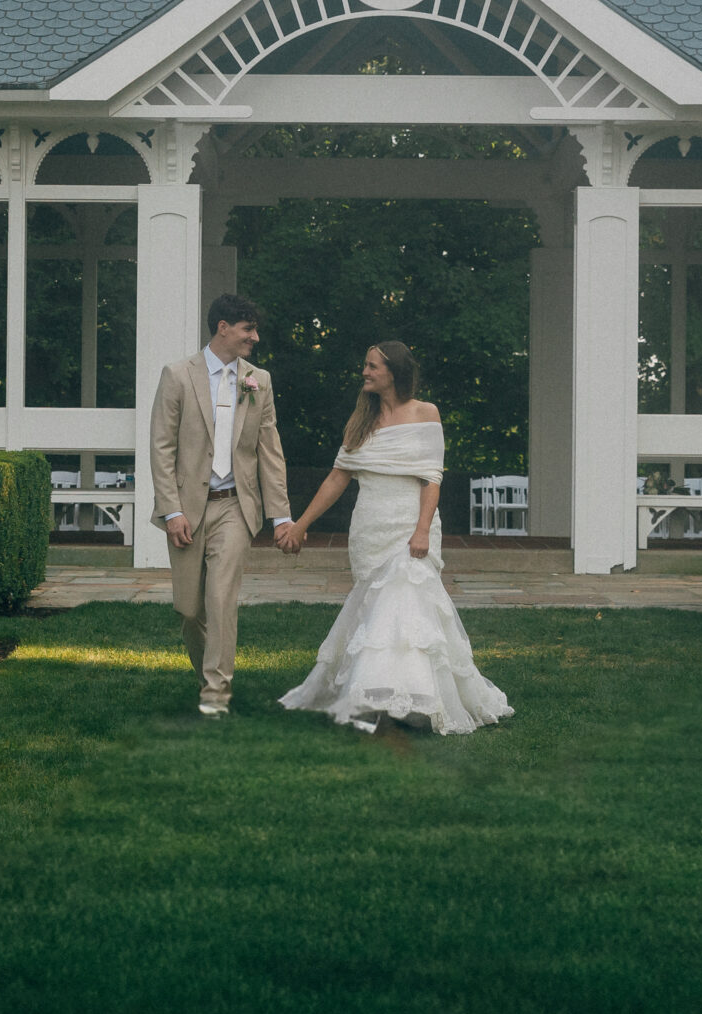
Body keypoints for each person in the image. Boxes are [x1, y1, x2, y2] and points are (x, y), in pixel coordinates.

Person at [278, 342, 512, 736]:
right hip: (370, 527)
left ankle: (408, 701)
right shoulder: (360, 422)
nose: (365, 372)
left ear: (393, 371)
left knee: (406, 608)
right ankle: (379, 695)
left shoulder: (426, 413)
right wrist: (301, 525)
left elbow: (432, 478)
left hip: (410, 525)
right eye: (365, 365)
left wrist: (422, 530)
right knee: (376, 613)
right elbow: (338, 477)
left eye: (372, 366)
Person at [149, 294, 295, 716]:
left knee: (221, 600)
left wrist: (280, 514)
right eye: (248, 329)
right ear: (223, 327)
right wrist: (171, 511)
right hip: (187, 508)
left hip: (235, 505)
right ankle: (205, 676)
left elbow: (270, 450)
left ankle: (216, 695)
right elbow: (161, 447)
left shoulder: (258, 381)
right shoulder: (177, 375)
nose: (255, 337)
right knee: (190, 609)